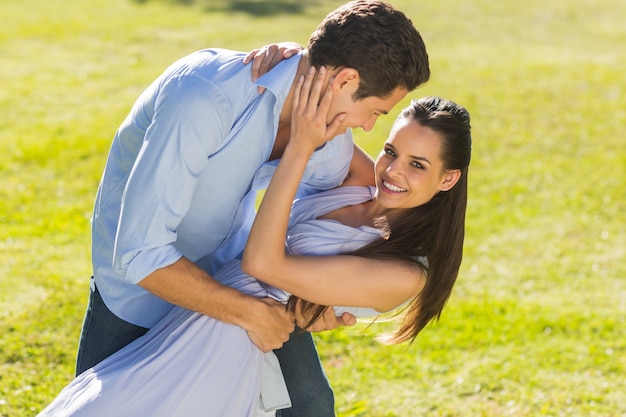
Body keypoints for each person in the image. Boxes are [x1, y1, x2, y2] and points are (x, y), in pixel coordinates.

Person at [37, 69, 472, 416]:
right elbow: (326, 99)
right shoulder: (363, 183)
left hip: (234, 345)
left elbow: (261, 263)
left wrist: (300, 149)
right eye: (391, 152)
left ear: (448, 178)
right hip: (205, 308)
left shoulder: (404, 274)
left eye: (418, 165)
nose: (393, 172)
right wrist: (289, 59)